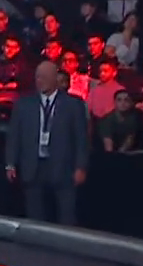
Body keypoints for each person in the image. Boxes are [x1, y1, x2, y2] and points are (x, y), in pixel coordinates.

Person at [5, 61, 90, 225]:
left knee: (66, 215)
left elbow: (81, 138)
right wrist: (10, 163)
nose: (40, 81)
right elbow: (14, 136)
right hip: (33, 166)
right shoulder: (24, 104)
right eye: (37, 77)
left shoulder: (73, 104)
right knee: (34, 215)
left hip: (63, 167)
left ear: (55, 78)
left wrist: (81, 166)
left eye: (44, 77)